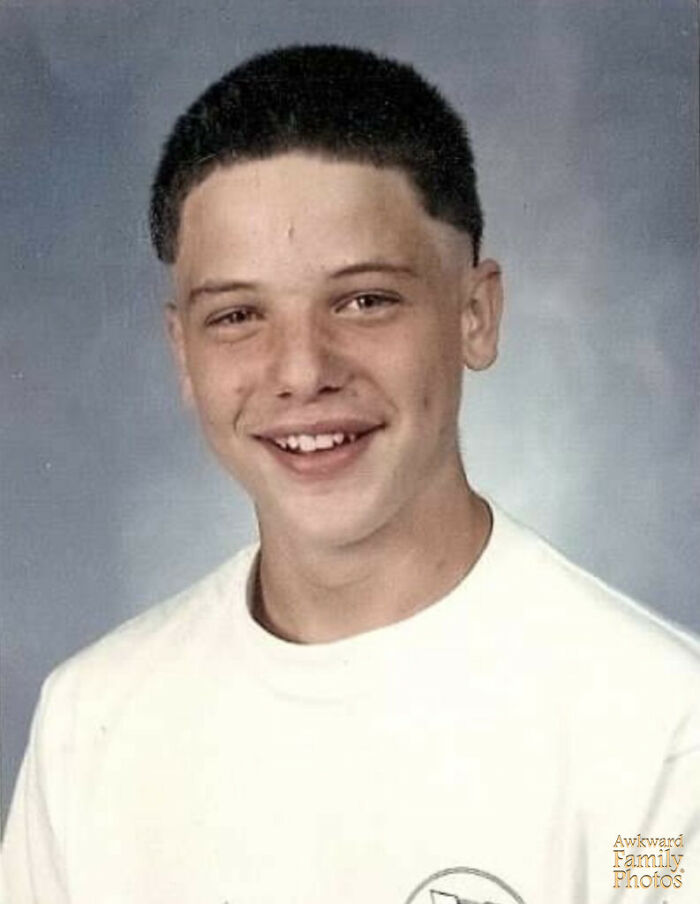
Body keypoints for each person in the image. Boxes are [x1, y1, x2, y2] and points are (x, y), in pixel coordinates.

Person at [3, 44, 699, 904]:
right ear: (183, 354)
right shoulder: (89, 730)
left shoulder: (658, 738)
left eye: (365, 300)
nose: (302, 371)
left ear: (475, 316)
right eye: (238, 315)